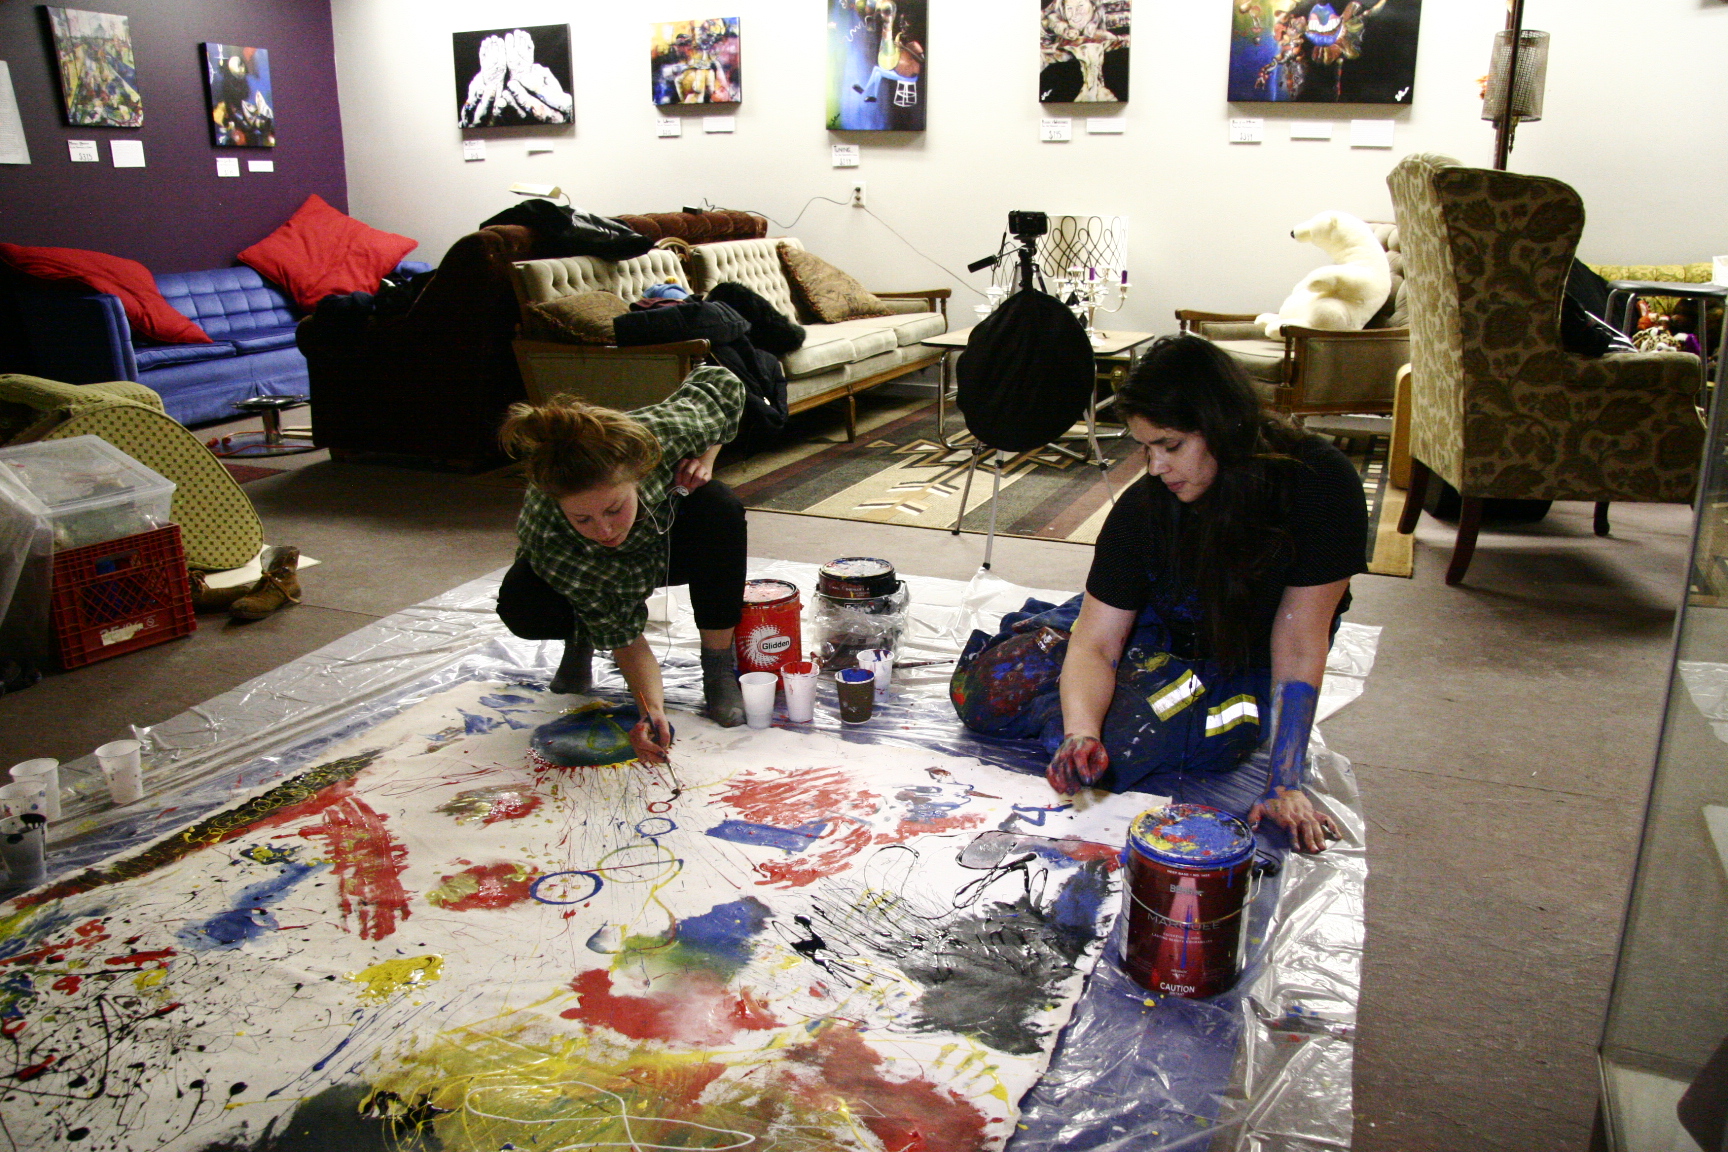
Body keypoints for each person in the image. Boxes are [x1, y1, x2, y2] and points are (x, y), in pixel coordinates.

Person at [951, 335, 1366, 859]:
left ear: (1223, 425)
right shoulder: (1145, 509)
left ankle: (1117, 688)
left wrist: (1285, 780)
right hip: (1158, 618)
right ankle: (1076, 671)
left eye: (1170, 446)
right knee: (988, 691)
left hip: (1243, 654)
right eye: (1145, 448)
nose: (1155, 467)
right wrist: (1080, 733)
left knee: (1126, 751)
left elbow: (1302, 637)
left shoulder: (1318, 484)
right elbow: (1098, 642)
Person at [496, 365, 748, 765]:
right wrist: (652, 710)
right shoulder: (550, 535)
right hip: (586, 571)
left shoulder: (659, 435)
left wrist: (705, 458)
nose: (605, 530)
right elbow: (628, 640)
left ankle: (718, 667)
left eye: (615, 508)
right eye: (584, 519)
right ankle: (580, 633)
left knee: (718, 505)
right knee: (523, 600)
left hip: (661, 536)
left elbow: (723, 383)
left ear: (641, 472)